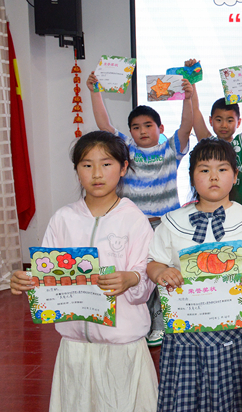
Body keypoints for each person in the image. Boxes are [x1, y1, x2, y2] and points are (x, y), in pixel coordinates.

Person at [10, 131, 157, 412]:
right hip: (74, 345)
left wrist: (132, 278)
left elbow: (144, 277)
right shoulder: (63, 219)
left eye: (106, 164)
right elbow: (47, 277)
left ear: (123, 168)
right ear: (77, 170)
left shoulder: (134, 220)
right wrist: (27, 281)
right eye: (87, 165)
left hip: (122, 344)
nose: (97, 173)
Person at [147, 138, 242, 412]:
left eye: (222, 169)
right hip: (187, 323)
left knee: (235, 395)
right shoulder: (172, 222)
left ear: (235, 176)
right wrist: (161, 272)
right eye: (204, 170)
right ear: (192, 177)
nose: (213, 176)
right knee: (190, 394)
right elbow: (153, 262)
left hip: (238, 322)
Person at [86, 70, 193, 346]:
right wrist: (95, 91)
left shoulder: (171, 149)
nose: (142, 131)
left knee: (163, 274)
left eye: (148, 125)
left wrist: (188, 97)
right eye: (136, 127)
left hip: (165, 225)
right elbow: (104, 125)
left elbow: (186, 125)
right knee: (140, 275)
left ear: (160, 128)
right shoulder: (127, 150)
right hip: (134, 227)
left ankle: (162, 324)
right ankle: (145, 324)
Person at [190, 58, 242, 206]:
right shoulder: (208, 142)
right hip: (212, 211)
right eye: (219, 120)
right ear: (210, 120)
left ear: (238, 122)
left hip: (239, 212)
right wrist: (192, 80)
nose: (224, 125)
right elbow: (195, 112)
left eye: (230, 120)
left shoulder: (241, 143)